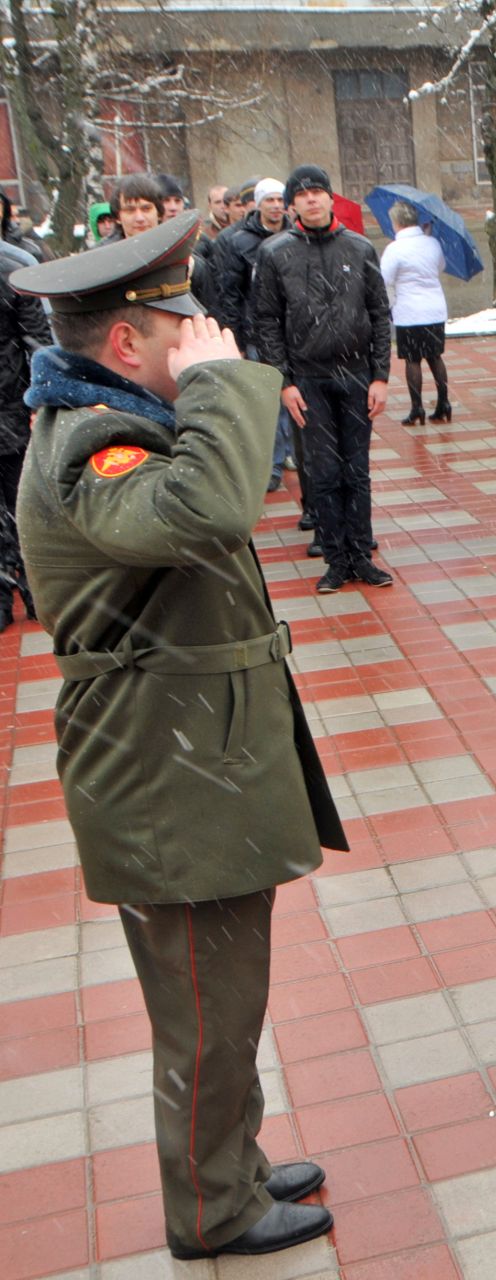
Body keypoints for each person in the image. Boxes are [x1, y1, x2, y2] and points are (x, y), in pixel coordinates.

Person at [13, 212, 346, 1262]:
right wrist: (220, 386)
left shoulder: (116, 420)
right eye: (185, 327)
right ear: (126, 344)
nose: (207, 339)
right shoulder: (93, 445)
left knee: (228, 995)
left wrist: (201, 385)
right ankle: (213, 1209)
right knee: (204, 1010)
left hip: (188, 755)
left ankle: (232, 1163)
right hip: (164, 769)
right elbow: (206, 507)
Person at [250, 164, 395, 593]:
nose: (312, 199)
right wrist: (284, 381)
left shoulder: (359, 248)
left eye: (319, 191)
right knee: (323, 471)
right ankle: (334, 558)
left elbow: (379, 313)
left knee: (358, 470)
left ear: (331, 199)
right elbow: (267, 320)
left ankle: (361, 555)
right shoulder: (276, 253)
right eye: (303, 193)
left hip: (355, 376)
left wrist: (381, 375)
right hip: (308, 379)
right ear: (291, 203)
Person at [211, 177, 294, 489]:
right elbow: (230, 293)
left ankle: (289, 453)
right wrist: (235, 337)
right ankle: (270, 467)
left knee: (292, 398)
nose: (275, 205)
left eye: (279, 199)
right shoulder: (238, 241)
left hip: (293, 333)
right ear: (257, 204)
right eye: (269, 200)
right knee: (266, 403)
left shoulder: (295, 234)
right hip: (257, 332)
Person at [0, 231, 51, 632]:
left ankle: (38, 590)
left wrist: (39, 400)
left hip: (14, 406)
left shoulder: (14, 266)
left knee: (25, 504)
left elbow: (37, 341)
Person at [380, 200, 451, 426]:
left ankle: (417, 408)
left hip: (409, 312)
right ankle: (443, 403)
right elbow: (439, 267)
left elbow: (384, 278)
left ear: (397, 222)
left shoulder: (394, 249)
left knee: (412, 360)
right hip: (434, 309)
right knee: (435, 356)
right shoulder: (433, 244)